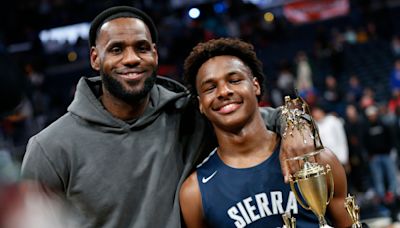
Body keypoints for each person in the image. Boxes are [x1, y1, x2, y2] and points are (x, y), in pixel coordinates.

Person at [20, 6, 315, 228]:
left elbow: (263, 117)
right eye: (117, 49)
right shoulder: (50, 149)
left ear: (155, 55)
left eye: (141, 48)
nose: (132, 58)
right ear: (95, 58)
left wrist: (295, 123)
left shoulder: (186, 113)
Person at [179, 38, 352, 228]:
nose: (224, 91)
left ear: (255, 85)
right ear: (200, 104)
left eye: (234, 80)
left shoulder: (317, 161)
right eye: (210, 88)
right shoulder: (194, 193)